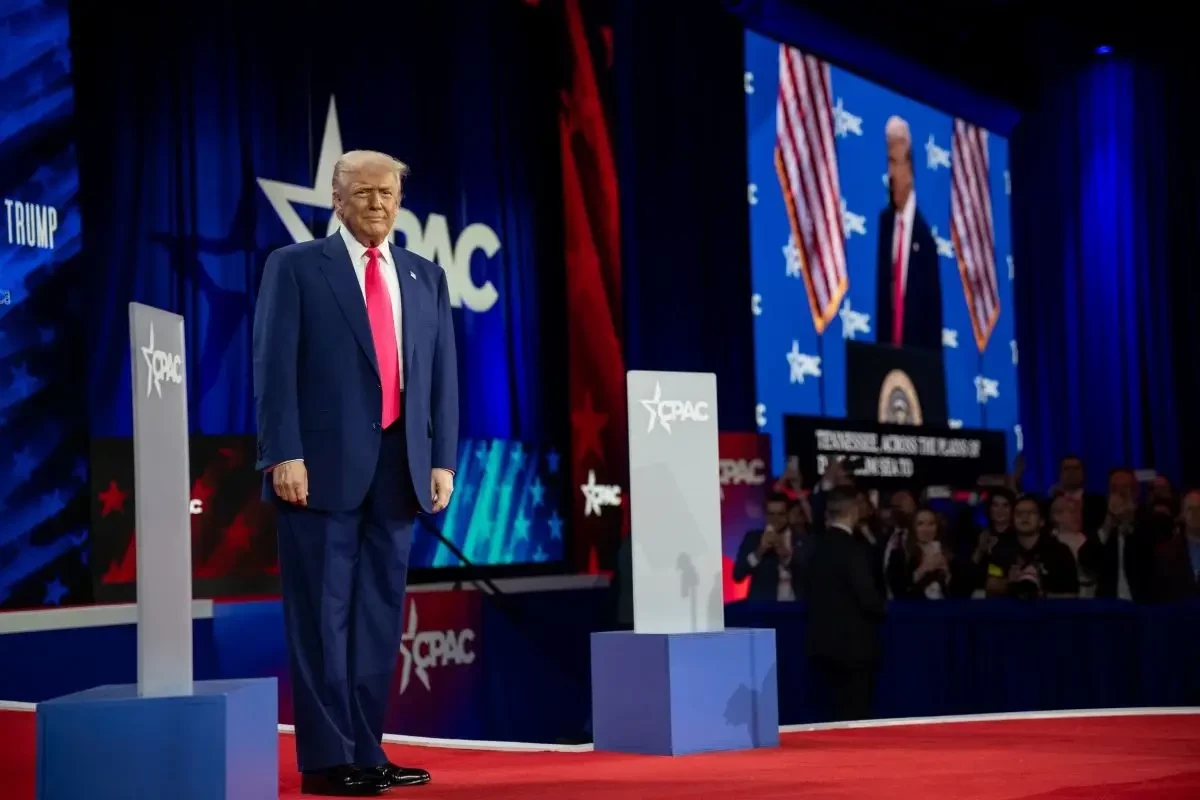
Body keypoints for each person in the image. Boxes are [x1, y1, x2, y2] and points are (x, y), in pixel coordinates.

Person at [253, 150, 458, 796]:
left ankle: (367, 751)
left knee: (377, 619)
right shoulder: (295, 267)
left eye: (388, 193)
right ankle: (326, 761)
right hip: (317, 473)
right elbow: (273, 368)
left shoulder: (425, 276)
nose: (377, 204)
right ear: (337, 200)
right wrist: (282, 453)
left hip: (400, 472)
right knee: (322, 618)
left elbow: (442, 377)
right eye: (364, 192)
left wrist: (442, 459)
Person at [804, 485, 886, 721]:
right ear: (852, 511)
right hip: (853, 650)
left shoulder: (815, 547)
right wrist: (881, 610)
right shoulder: (853, 549)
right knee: (854, 715)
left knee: (828, 716)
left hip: (821, 645)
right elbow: (867, 598)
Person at [875, 116, 942, 351]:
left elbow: (932, 328)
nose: (891, 173)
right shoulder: (885, 224)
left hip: (916, 363)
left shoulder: (925, 242)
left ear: (910, 169)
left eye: (896, 163)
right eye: (889, 162)